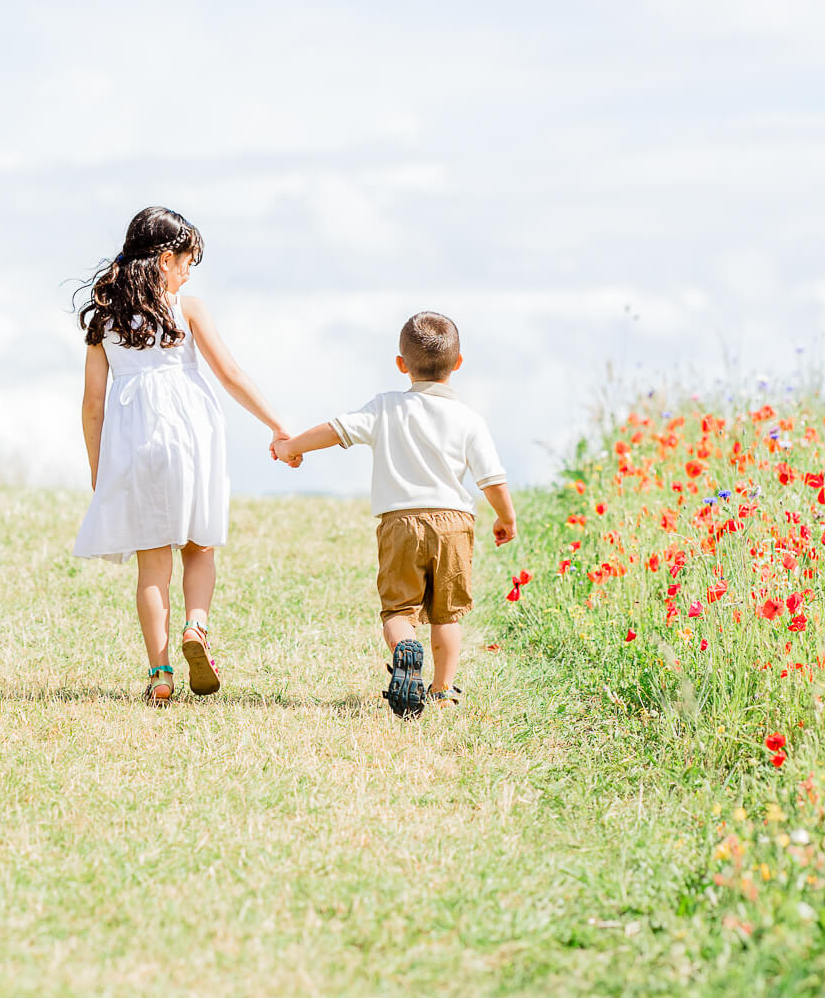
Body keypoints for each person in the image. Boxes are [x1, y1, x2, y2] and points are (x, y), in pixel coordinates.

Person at [73, 206, 292, 705]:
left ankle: (160, 673)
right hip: (191, 435)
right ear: (168, 260)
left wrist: (98, 469)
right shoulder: (188, 308)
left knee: (152, 564)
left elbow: (91, 406)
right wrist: (278, 425)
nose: (190, 272)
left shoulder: (104, 321)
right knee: (199, 546)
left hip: (133, 444)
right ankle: (197, 627)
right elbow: (230, 374)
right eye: (189, 260)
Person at [272, 311, 516, 717]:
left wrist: (291, 446)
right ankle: (442, 689)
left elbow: (335, 430)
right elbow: (492, 478)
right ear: (457, 363)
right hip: (454, 522)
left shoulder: (385, 408)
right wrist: (505, 518)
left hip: (399, 523)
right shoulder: (469, 419)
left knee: (399, 611)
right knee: (447, 614)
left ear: (402, 365)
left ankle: (405, 646)